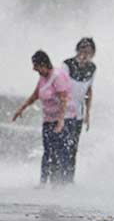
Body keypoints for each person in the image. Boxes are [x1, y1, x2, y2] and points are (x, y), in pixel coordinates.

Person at [12, 50, 77, 184]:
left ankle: (62, 184)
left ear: (43, 64)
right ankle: (43, 183)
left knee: (61, 152)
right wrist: (21, 108)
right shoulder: (43, 76)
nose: (33, 68)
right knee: (47, 152)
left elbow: (63, 99)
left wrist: (60, 122)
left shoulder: (57, 76)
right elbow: (36, 95)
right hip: (48, 120)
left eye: (35, 65)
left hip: (65, 119)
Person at [62, 37, 97, 181]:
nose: (85, 54)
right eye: (82, 50)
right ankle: (57, 179)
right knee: (62, 147)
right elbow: (61, 88)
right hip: (63, 113)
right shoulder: (67, 65)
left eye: (89, 51)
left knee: (73, 149)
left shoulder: (92, 68)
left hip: (78, 114)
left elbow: (89, 90)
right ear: (77, 50)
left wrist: (88, 114)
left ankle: (69, 180)